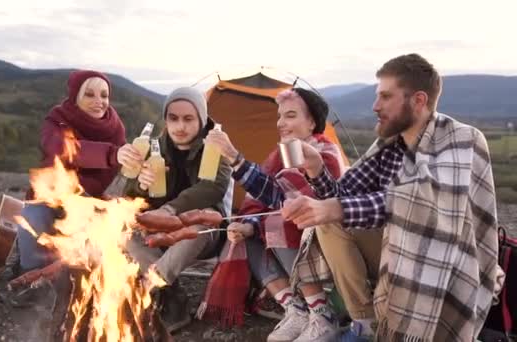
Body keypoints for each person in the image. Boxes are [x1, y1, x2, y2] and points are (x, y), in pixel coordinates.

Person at [281, 53, 505, 341]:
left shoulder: (463, 140)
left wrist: (336, 207)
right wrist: (316, 169)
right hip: (394, 251)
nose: (375, 106)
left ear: (419, 101)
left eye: (386, 97)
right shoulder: (389, 144)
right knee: (325, 222)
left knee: (337, 213)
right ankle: (366, 324)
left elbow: (425, 201)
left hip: (448, 263)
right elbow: (343, 195)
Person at [201, 87, 346, 341]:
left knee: (281, 221)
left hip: (328, 246)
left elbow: (294, 205)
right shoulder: (281, 155)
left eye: (290, 115)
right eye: (279, 116)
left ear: (312, 121)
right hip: (298, 241)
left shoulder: (326, 155)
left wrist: (235, 158)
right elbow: (270, 196)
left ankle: (323, 314)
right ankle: (296, 309)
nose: (280, 123)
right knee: (243, 234)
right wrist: (249, 226)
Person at [122, 87, 232, 333]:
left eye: (188, 119)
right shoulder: (152, 148)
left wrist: (171, 210)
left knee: (198, 227)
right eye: (173, 118)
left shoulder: (215, 146)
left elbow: (212, 188)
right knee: (123, 229)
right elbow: (128, 197)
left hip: (204, 232)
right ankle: (171, 294)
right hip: (159, 231)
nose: (180, 126)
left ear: (201, 120)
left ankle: (148, 286)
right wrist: (140, 185)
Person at [17, 70, 129, 271]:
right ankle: (29, 276)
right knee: (32, 219)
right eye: (89, 94)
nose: (99, 101)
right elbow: (62, 148)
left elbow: (123, 164)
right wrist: (112, 154)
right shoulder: (56, 120)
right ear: (75, 95)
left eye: (104, 95)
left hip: (88, 199)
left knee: (117, 225)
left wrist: (138, 163)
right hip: (50, 198)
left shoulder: (115, 128)